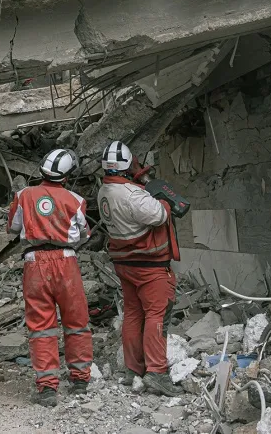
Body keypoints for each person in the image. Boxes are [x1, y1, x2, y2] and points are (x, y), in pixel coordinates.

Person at [6, 148, 93, 407]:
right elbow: (83, 235)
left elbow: (12, 227)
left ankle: (47, 387)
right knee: (76, 319)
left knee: (41, 325)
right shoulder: (75, 199)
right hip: (66, 261)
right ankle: (79, 379)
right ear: (66, 177)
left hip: (34, 264)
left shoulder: (23, 195)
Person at [96, 141, 182, 397]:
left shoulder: (104, 191)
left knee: (133, 314)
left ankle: (133, 369)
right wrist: (165, 200)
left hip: (125, 264)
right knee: (157, 315)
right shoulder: (132, 195)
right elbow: (159, 215)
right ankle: (156, 372)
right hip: (150, 266)